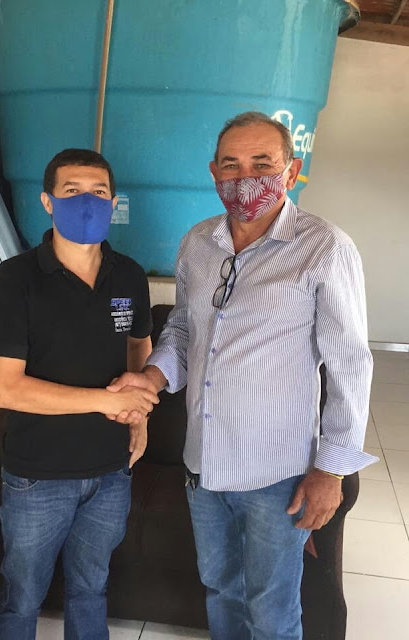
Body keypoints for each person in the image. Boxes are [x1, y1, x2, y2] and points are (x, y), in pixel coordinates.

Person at [108, 112, 377, 640]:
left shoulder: (324, 247)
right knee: (220, 590)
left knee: (272, 609)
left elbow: (350, 364)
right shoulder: (198, 243)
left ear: (291, 170)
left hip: (277, 474)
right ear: (214, 172)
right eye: (231, 164)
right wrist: (152, 378)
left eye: (262, 163)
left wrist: (331, 472)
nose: (245, 177)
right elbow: (183, 328)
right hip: (203, 466)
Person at [0, 148, 158, 640]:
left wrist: (139, 414)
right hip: (38, 476)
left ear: (113, 202)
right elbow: (6, 389)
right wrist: (108, 401)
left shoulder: (129, 274)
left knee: (91, 589)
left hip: (110, 472)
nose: (87, 202)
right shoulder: (15, 279)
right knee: (21, 597)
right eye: (72, 191)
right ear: (47, 201)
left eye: (99, 192)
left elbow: (138, 344)